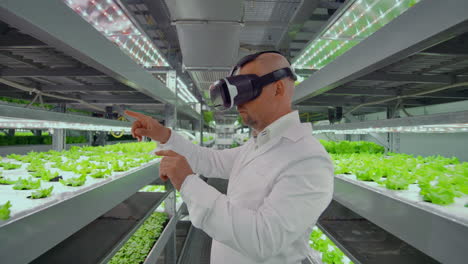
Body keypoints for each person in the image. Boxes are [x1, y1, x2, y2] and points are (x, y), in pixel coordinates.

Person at [125, 51, 334, 264]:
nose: (238, 103)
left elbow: (263, 240)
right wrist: (162, 134)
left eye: (246, 89)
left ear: (278, 88)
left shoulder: (308, 159)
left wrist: (188, 183)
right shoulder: (257, 145)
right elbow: (210, 160)